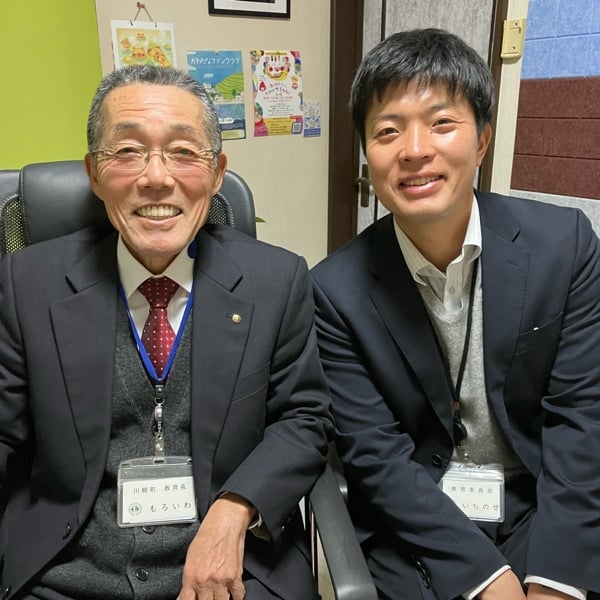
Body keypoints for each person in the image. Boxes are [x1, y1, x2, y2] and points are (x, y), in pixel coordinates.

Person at [0, 65, 333, 600]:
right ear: (93, 173)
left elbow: (305, 418)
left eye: (183, 151)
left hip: (236, 571)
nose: (156, 177)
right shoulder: (28, 283)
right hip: (65, 571)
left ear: (217, 172)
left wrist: (236, 509)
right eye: (128, 151)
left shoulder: (276, 280)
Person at [311, 28, 600, 600]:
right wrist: (486, 579)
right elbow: (375, 455)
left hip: (537, 497)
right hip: (418, 514)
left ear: (482, 140)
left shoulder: (563, 246)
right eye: (388, 130)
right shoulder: (333, 290)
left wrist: (553, 580)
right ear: (367, 152)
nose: (415, 149)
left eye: (442, 123)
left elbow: (582, 418)